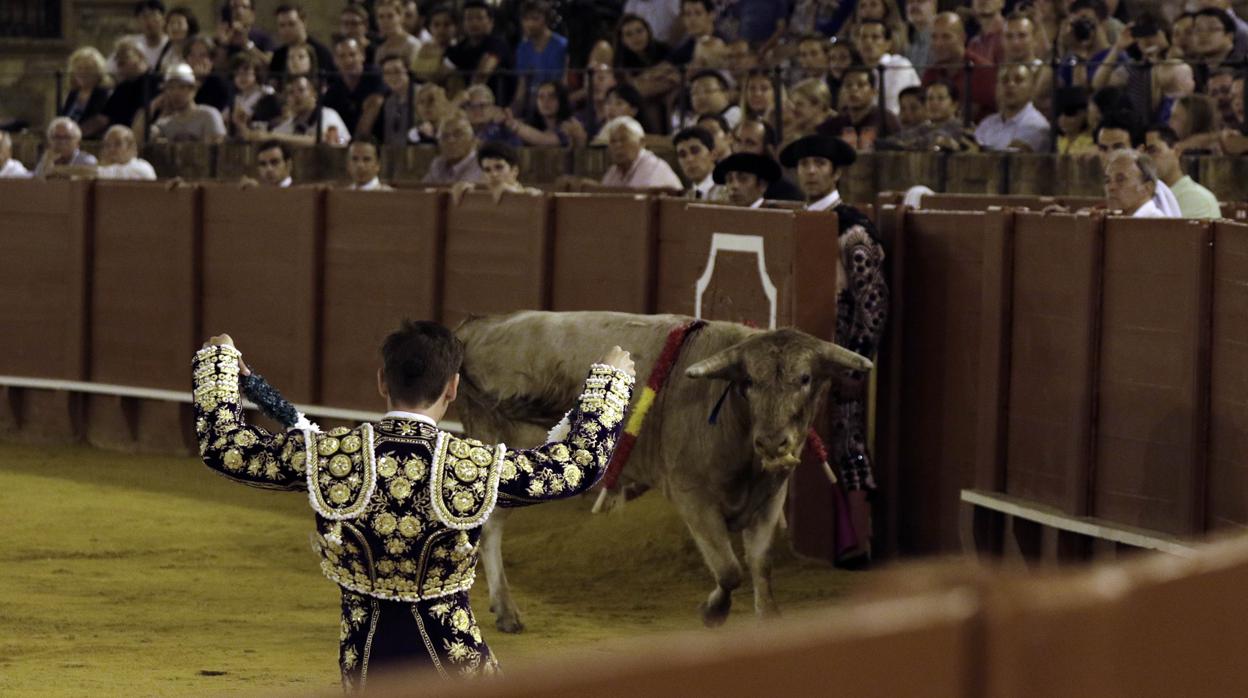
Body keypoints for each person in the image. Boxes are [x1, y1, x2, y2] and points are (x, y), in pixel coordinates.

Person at [190, 323, 635, 685]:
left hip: (365, 665)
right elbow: (577, 465)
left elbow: (226, 446)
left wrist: (218, 363)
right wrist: (608, 384)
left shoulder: (332, 457)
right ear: (453, 388)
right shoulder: (472, 467)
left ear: (382, 380)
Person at [778, 134, 886, 563]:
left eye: (819, 163)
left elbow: (874, 306)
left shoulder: (854, 231)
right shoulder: (796, 221)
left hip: (836, 361)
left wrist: (856, 367)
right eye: (804, 164)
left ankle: (856, 541)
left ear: (836, 171)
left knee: (847, 442)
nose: (810, 171)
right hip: (794, 364)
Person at [921, 12, 995, 123]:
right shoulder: (930, 74)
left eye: (946, 37)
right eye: (934, 37)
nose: (938, 43)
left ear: (963, 37)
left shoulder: (984, 72)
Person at [1142, 124, 1221, 218]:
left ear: (1176, 151)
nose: (1147, 159)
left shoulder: (1197, 198)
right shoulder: (1147, 198)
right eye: (1143, 154)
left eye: (1153, 151)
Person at [446, 1, 516, 106]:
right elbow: (445, 71)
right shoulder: (460, 47)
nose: (474, 23)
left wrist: (458, 103)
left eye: (479, 18)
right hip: (466, 105)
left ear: (491, 22)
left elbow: (482, 74)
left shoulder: (497, 44)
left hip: (495, 105)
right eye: (469, 18)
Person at [818, 64, 901, 151]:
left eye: (861, 85)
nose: (854, 89)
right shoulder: (834, 124)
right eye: (848, 85)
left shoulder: (886, 120)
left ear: (873, 91)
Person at [974, 64, 1052, 153]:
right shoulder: (987, 123)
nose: (1010, 85)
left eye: (1018, 80)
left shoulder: (1037, 126)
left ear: (1032, 88)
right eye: (1004, 80)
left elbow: (1014, 161)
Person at [147, 63, 227, 143]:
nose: (176, 93)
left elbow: (217, 148)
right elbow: (139, 141)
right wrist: (153, 106)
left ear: (193, 90)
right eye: (171, 88)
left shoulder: (208, 114)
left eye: (182, 87)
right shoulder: (164, 123)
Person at [855, 19, 921, 117]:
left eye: (875, 37)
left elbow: (893, 108)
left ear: (888, 44)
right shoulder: (855, 71)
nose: (868, 42)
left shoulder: (899, 65)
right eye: (863, 37)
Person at [513, 1, 568, 111]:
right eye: (526, 19)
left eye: (535, 19)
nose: (530, 24)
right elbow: (522, 87)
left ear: (546, 19)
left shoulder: (561, 45)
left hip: (556, 103)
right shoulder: (522, 49)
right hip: (532, 107)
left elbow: (563, 83)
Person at [600, 115, 683, 189]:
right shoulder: (614, 171)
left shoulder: (653, 168)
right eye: (613, 141)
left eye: (624, 139)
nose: (618, 146)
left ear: (641, 142)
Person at [731, 118, 803, 201]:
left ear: (769, 150)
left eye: (750, 143)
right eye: (738, 141)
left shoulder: (786, 193)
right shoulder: (726, 186)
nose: (741, 149)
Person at [450, 140, 541, 202]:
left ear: (514, 171)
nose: (493, 174)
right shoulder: (480, 195)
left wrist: (514, 194)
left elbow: (537, 196)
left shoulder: (530, 193)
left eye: (499, 167)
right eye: (487, 170)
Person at [269, 3, 334, 81]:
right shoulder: (278, 56)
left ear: (304, 23)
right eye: (282, 25)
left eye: (291, 24)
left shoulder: (321, 53)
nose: (286, 30)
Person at [59, 47, 112, 140]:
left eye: (88, 69)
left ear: (98, 71)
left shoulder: (104, 94)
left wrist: (71, 136)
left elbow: (100, 122)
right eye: (79, 68)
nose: (83, 72)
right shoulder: (73, 94)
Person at [1103, 149, 1167, 217]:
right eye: (1107, 180)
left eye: (1120, 180)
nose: (1111, 187)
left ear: (1147, 188)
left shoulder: (1156, 223)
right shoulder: (1115, 220)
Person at [423, 116, 485, 184]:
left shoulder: (482, 164)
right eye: (445, 136)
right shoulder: (438, 164)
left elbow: (463, 192)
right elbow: (421, 190)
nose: (450, 140)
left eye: (458, 134)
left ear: (473, 140)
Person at [673, 126, 725, 201]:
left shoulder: (728, 191)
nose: (689, 159)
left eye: (695, 151)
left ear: (713, 154)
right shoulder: (685, 196)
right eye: (682, 155)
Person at [713, 152, 780, 208]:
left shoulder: (776, 217)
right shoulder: (721, 217)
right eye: (729, 180)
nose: (734, 186)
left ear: (763, 185)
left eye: (743, 179)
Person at [375, 0, 424, 67]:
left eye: (390, 16)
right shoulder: (380, 50)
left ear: (401, 17)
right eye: (381, 17)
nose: (385, 21)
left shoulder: (412, 45)